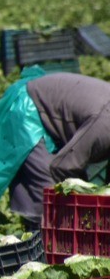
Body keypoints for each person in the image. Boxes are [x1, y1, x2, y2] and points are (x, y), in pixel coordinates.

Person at [7, 73, 110, 226]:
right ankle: (40, 241)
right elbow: (61, 167)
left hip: (57, 110)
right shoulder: (103, 128)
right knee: (47, 196)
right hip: (28, 108)